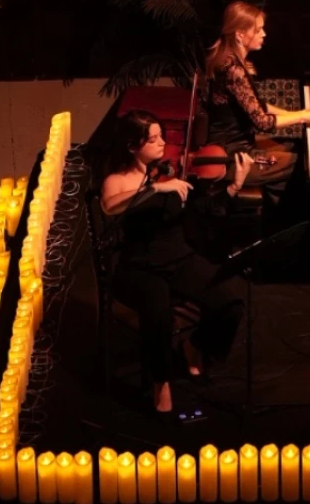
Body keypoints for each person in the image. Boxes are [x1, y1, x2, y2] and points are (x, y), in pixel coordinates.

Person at [99, 110, 251, 412]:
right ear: (132, 146)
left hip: (180, 258)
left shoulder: (171, 171)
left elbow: (204, 208)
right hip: (141, 267)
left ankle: (194, 345)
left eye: (161, 136)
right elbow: (109, 207)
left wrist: (234, 186)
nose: (162, 144)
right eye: (153, 139)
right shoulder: (116, 180)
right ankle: (161, 383)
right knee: (159, 318)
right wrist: (153, 188)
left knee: (231, 303)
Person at [203, 0, 310, 205]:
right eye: (258, 30)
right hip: (232, 154)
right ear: (240, 34)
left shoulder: (231, 58)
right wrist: (305, 116)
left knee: (297, 147)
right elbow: (263, 122)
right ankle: (284, 211)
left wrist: (296, 113)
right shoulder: (233, 70)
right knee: (300, 163)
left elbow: (258, 105)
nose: (264, 34)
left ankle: (277, 204)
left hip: (241, 142)